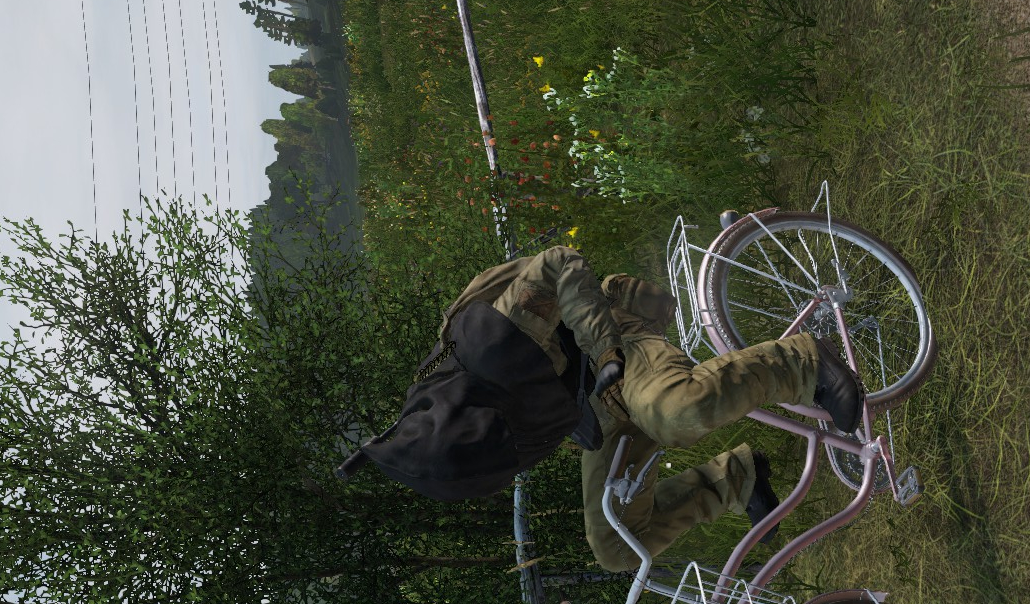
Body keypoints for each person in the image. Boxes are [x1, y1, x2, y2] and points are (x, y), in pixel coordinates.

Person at [339, 240, 866, 570]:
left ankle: (805, 362)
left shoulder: (493, 344)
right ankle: (739, 479)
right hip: (597, 403)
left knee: (674, 411)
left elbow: (558, 264)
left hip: (616, 334)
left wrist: (604, 350)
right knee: (615, 546)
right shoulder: (480, 415)